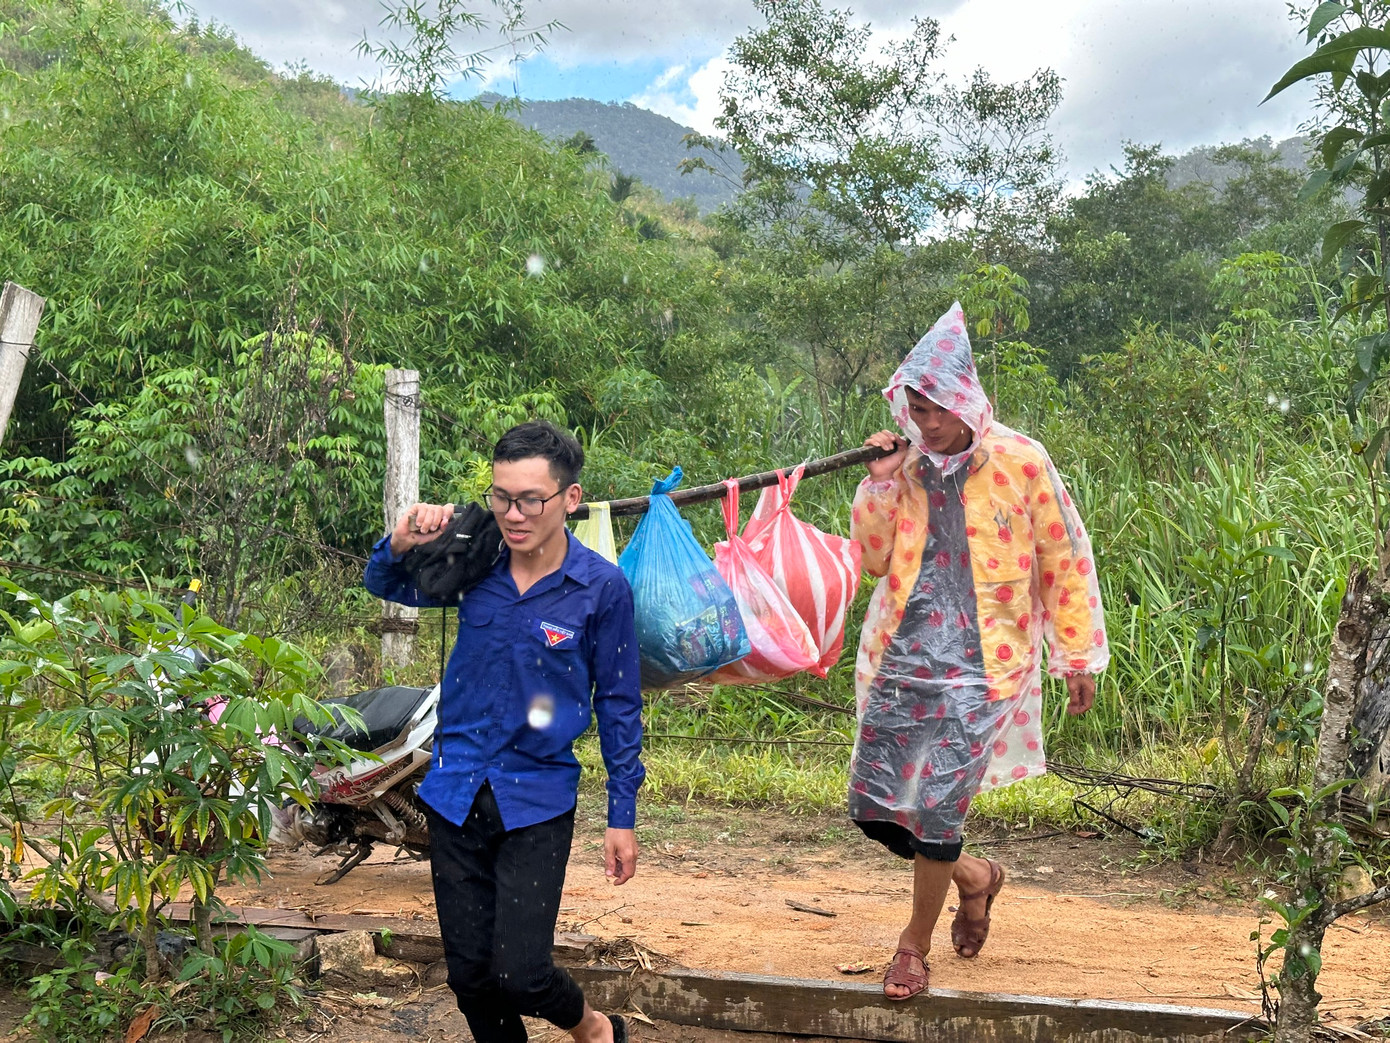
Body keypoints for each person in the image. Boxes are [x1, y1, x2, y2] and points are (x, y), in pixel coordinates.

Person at [849, 303, 1108, 1001]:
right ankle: (974, 876)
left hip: (987, 665)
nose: (925, 422)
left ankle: (912, 944)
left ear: (965, 401)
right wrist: (877, 481)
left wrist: (1077, 654)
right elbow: (873, 559)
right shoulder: (900, 469)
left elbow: (1064, 556)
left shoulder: (1022, 461)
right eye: (915, 407)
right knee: (874, 807)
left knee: (937, 808)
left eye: (936, 408)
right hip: (903, 657)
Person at [363, 420, 642, 1043]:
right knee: (470, 978)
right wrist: (402, 539)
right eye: (500, 497)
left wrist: (621, 814)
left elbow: (620, 704)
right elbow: (384, 583)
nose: (513, 515)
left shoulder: (601, 589)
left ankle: (594, 1029)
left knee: (522, 972)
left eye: (530, 500)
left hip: (536, 801)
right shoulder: (474, 564)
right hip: (454, 791)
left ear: (571, 499)